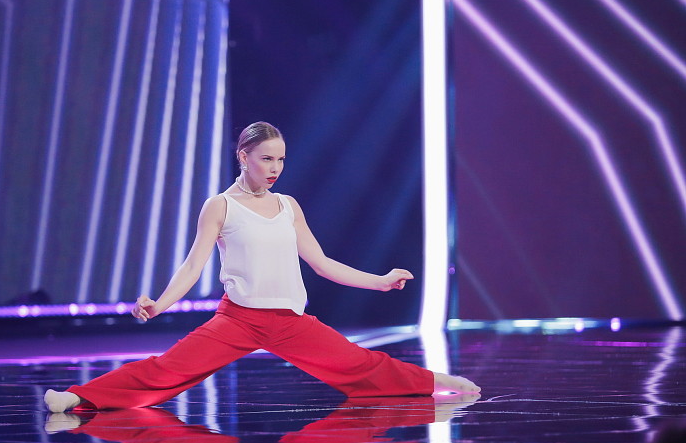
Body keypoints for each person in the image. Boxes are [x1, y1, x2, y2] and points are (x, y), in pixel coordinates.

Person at [44, 122, 480, 413]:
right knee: (166, 370)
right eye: (266, 159)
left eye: (281, 160)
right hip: (238, 320)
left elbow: (321, 263)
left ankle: (435, 381)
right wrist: (159, 304)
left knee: (361, 365)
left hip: (290, 321)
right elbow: (193, 265)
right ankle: (77, 398)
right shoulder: (220, 206)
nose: (275, 168)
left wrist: (380, 282)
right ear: (243, 156)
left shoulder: (288, 206)